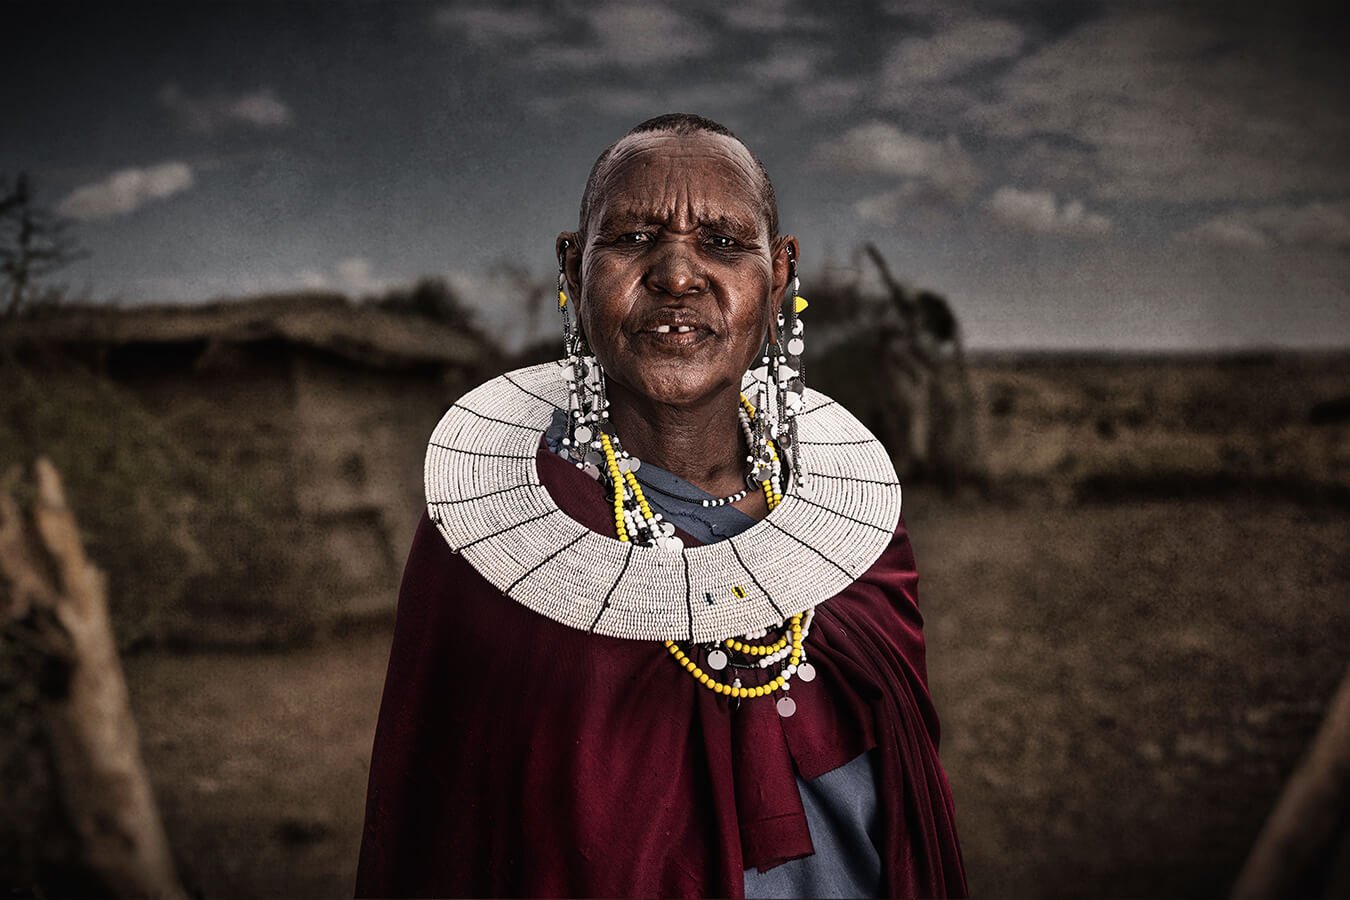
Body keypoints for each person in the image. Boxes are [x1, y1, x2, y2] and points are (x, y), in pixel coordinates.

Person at [355, 113, 967, 899]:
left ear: (780, 277)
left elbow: (907, 804)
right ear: (574, 268)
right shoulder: (490, 551)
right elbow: (440, 844)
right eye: (634, 238)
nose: (677, 274)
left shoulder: (858, 535)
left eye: (721, 242)